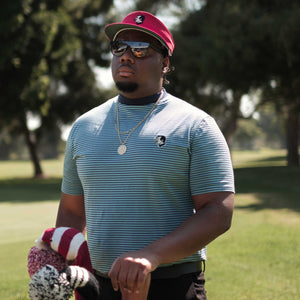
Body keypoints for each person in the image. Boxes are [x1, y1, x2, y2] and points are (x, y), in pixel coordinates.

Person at [55, 11, 235, 300]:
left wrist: (151, 255)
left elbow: (218, 211)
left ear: (164, 63)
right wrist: (60, 261)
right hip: (98, 287)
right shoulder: (83, 127)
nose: (126, 56)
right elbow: (73, 212)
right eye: (119, 47)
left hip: (172, 284)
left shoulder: (195, 125)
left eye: (140, 49)